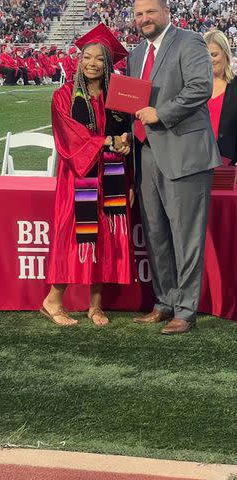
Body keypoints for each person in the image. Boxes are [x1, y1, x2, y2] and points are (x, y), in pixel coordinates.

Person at [129, 0, 221, 334]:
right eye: (138, 14)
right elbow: (133, 103)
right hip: (147, 152)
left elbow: (201, 86)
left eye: (150, 12)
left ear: (166, 12)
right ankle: (164, 302)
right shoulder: (137, 54)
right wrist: (129, 134)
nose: (144, 19)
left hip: (185, 152)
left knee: (186, 234)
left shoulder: (189, 40)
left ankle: (186, 309)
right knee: (156, 233)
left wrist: (162, 113)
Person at [41, 23, 135, 327]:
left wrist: (126, 143)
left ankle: (96, 306)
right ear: (78, 61)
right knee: (76, 238)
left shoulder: (119, 96)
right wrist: (106, 141)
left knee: (107, 238)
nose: (91, 64)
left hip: (112, 178)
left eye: (99, 59)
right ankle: (52, 301)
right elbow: (70, 139)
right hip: (78, 179)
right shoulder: (65, 95)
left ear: (108, 65)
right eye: (86, 57)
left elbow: (129, 132)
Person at [204, 29, 237, 165]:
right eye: (205, 55)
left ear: (225, 54)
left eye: (214, 54)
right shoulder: (193, 87)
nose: (210, 60)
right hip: (198, 164)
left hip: (229, 164)